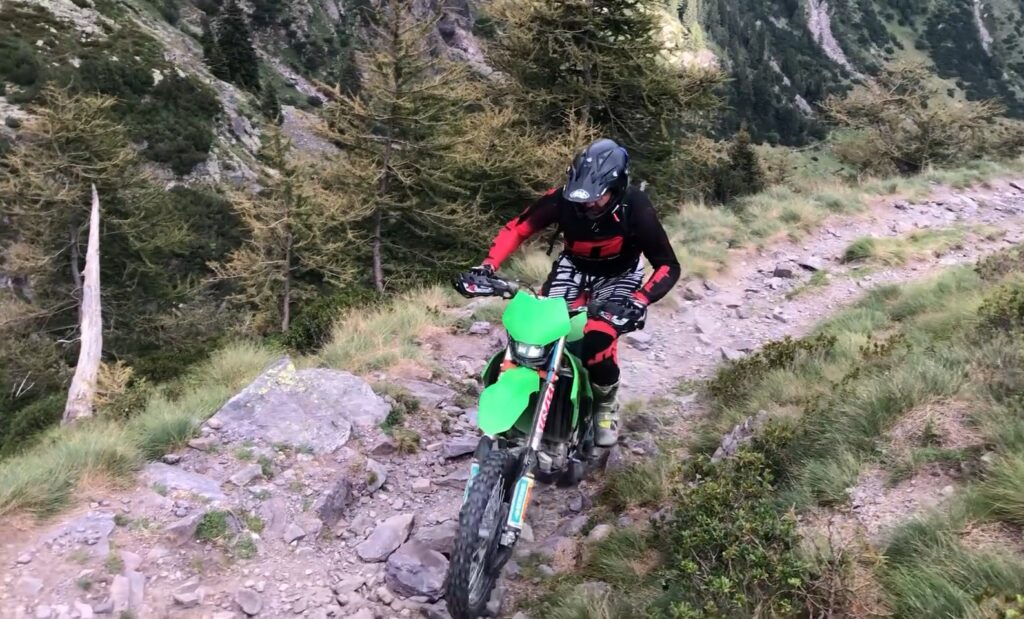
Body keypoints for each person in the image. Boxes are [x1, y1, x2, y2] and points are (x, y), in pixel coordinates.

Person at [466, 138, 680, 446]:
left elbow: (668, 265)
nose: (587, 205)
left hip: (620, 275)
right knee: (539, 330)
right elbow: (518, 228)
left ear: (617, 188)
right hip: (574, 268)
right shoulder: (563, 199)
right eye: (581, 198)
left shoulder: (635, 207)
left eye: (596, 198)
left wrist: (639, 300)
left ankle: (605, 405)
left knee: (598, 339)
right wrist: (487, 266)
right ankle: (533, 401)